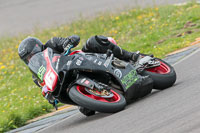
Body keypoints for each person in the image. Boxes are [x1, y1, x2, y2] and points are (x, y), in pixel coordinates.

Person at [18, 35, 139, 116]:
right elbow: (44, 88)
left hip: (78, 62)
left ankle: (131, 56)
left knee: (95, 41)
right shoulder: (36, 75)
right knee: (86, 111)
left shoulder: (51, 44)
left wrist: (68, 41)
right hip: (67, 83)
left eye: (31, 55)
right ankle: (101, 92)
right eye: (27, 59)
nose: (31, 59)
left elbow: (68, 40)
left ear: (37, 47)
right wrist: (48, 95)